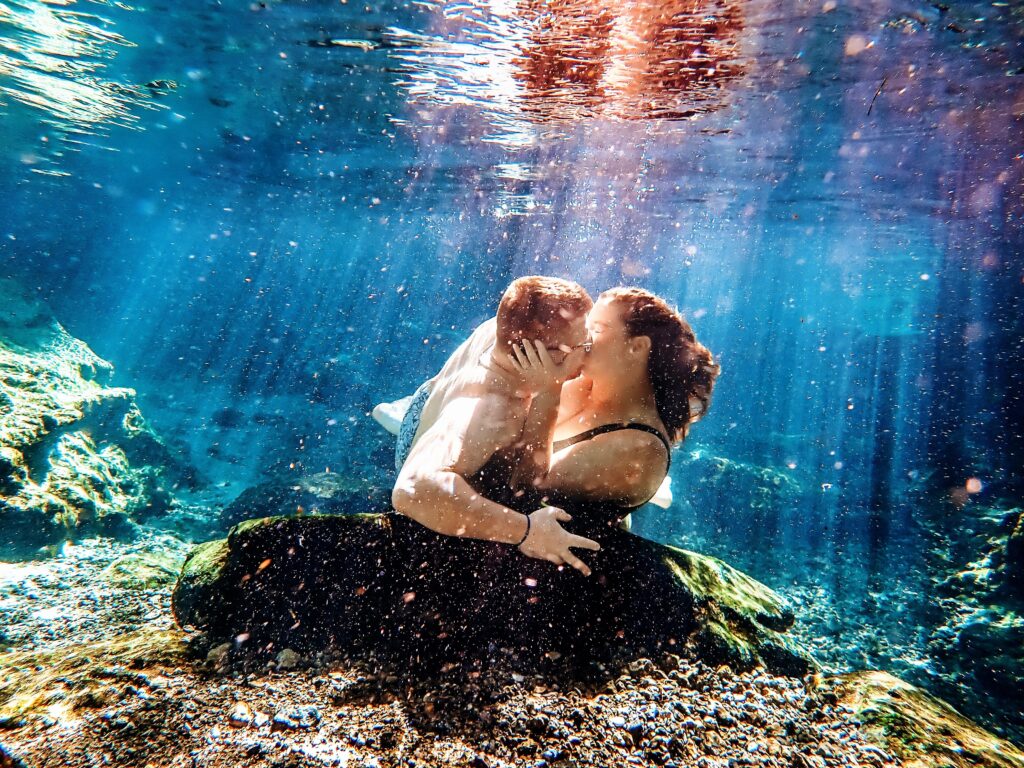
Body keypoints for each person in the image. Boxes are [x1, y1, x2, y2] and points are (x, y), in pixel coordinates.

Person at [389, 276, 603, 576]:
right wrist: (527, 531)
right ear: (543, 354)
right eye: (585, 342)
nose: (591, 348)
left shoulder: (512, 325)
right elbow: (414, 490)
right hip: (439, 436)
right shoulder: (494, 413)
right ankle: (430, 432)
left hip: (432, 397)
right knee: (524, 486)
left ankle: (428, 416)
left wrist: (551, 386)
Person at [500, 286, 720, 540]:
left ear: (637, 347)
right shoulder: (585, 386)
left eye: (598, 329)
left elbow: (521, 489)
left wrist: (548, 391)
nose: (583, 335)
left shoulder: (642, 448)